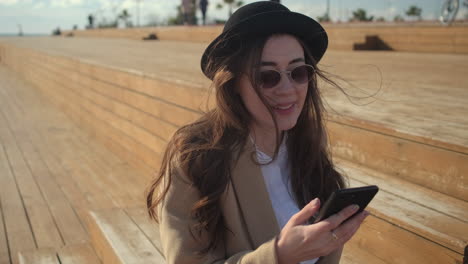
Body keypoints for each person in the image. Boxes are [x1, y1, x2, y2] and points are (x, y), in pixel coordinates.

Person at [146, 1, 369, 263]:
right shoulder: (196, 156)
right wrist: (279, 256)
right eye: (267, 76)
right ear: (233, 83)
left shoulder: (309, 141)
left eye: (298, 72)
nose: (287, 89)